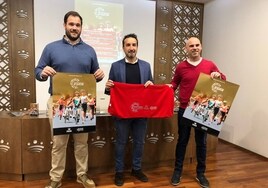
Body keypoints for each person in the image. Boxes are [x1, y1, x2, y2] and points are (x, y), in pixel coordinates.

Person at [35, 11, 104, 188]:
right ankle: (56, 179)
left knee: (82, 143)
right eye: (71, 24)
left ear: (81, 27)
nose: (74, 28)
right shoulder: (51, 48)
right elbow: (38, 71)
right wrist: (42, 73)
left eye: (78, 25)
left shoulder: (90, 50)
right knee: (59, 144)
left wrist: (100, 75)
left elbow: (94, 75)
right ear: (64, 25)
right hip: (59, 102)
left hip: (83, 103)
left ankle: (82, 175)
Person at [169, 37, 226, 188]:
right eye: (191, 46)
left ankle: (201, 173)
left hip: (202, 111)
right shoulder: (181, 66)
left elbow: (223, 80)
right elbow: (174, 83)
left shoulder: (210, 65)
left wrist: (219, 76)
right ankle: (177, 171)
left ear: (201, 47)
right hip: (184, 109)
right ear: (185, 49)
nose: (194, 48)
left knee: (202, 143)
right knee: (182, 141)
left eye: (197, 45)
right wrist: (167, 88)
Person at [105, 33, 153, 186]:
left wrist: (151, 85)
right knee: (121, 142)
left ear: (137, 47)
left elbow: (151, 85)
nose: (131, 48)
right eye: (128, 45)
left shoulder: (146, 66)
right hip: (122, 113)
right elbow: (111, 90)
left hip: (141, 112)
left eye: (134, 45)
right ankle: (119, 172)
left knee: (139, 142)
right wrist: (107, 87)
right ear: (123, 47)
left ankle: (136, 169)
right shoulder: (116, 66)